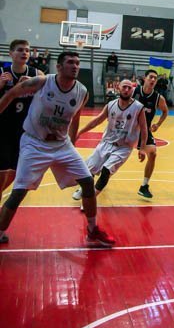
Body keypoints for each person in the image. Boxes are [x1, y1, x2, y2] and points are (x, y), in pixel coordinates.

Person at [0, 51, 115, 247]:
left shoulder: (82, 91)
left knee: (88, 182)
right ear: (59, 66)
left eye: (77, 63)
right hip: (34, 143)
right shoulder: (42, 82)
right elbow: (11, 94)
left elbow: (75, 119)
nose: (75, 66)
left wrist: (72, 143)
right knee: (19, 192)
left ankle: (92, 231)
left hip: (61, 145)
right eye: (70, 62)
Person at [72, 80, 149, 202]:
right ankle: (84, 189)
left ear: (132, 90)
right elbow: (97, 120)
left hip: (123, 147)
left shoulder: (138, 108)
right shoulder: (111, 105)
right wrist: (80, 132)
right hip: (106, 142)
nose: (127, 90)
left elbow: (144, 129)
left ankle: (90, 199)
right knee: (90, 169)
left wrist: (142, 148)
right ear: (118, 87)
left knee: (106, 171)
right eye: (124, 87)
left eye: (129, 88)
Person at [0, 39, 44, 242]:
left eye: (27, 50)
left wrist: (35, 88)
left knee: (16, 175)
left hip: (25, 133)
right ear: (11, 53)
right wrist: (3, 86)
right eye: (20, 50)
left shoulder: (37, 75)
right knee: (2, 175)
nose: (24, 53)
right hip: (3, 131)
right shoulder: (2, 72)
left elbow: (47, 98)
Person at [133, 69, 169, 199]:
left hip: (144, 130)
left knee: (153, 154)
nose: (153, 80)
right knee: (112, 154)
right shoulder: (134, 91)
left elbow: (165, 111)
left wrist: (158, 124)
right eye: (151, 77)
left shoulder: (158, 98)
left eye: (155, 78)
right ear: (145, 78)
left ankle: (144, 186)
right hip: (129, 128)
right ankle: (97, 175)